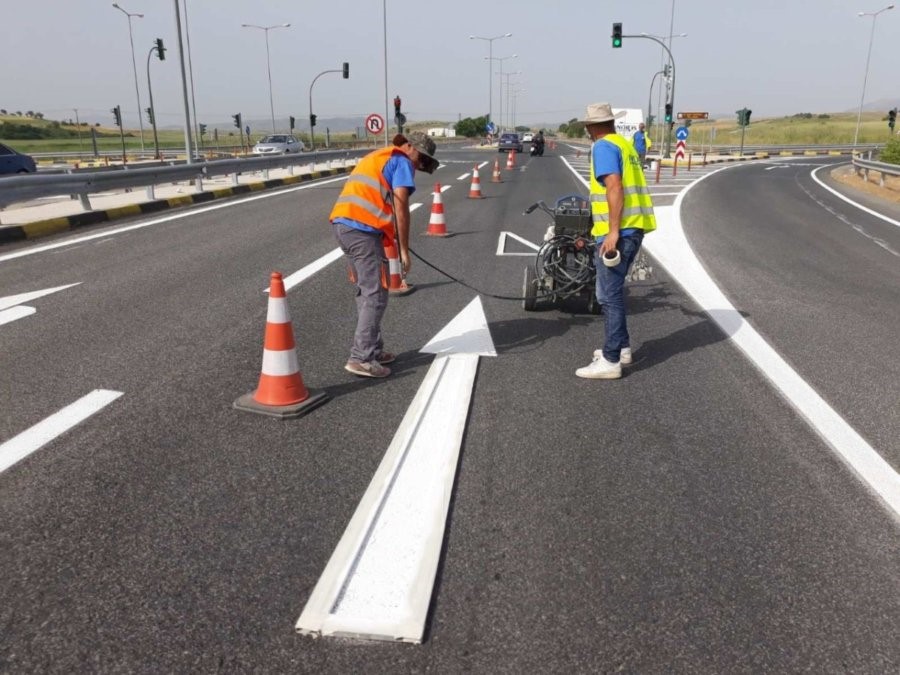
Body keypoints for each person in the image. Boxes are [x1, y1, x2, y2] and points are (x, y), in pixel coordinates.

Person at [330, 130, 439, 378]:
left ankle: (373, 349)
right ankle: (361, 358)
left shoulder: (379, 156)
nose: (418, 165)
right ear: (409, 147)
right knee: (376, 294)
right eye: (420, 158)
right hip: (361, 231)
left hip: (344, 226)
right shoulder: (401, 160)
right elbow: (401, 205)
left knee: (366, 291)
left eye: (423, 163)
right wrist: (404, 251)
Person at [576, 103, 656, 380]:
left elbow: (613, 185)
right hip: (634, 227)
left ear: (590, 127)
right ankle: (621, 348)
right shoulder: (624, 144)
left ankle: (611, 361)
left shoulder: (603, 147)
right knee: (608, 293)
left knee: (609, 297)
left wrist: (612, 232)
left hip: (619, 232)